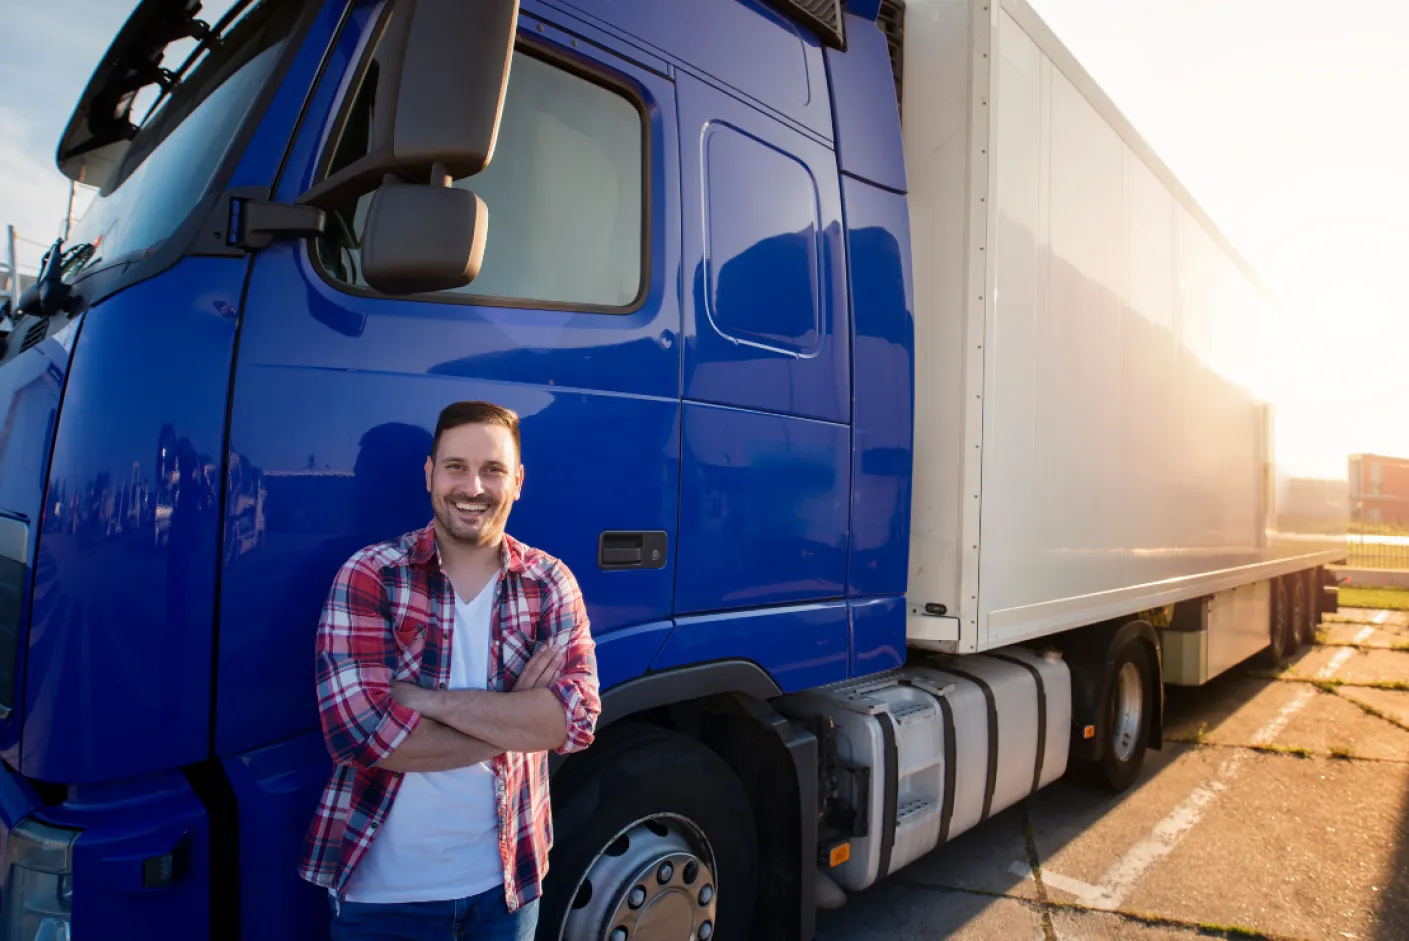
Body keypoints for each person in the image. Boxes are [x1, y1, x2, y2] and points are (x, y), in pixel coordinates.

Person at [299, 400, 600, 940]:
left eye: (493, 470)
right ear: (430, 474)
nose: (473, 487)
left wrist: (423, 700)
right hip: (381, 898)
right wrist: (517, 719)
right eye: (456, 466)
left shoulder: (550, 583)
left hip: (506, 890)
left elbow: (574, 723)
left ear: (518, 481)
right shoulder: (371, 576)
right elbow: (360, 734)